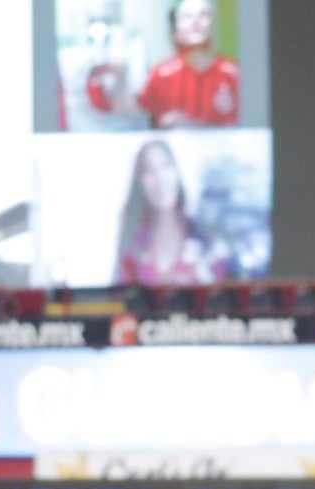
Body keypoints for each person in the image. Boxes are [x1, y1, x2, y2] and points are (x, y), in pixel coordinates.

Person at [113, 139, 228, 284]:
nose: (160, 179)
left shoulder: (207, 242)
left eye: (166, 166)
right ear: (140, 182)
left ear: (177, 171)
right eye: (149, 170)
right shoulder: (132, 248)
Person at [135, 0, 238, 128]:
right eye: (187, 16)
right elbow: (142, 121)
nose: (195, 22)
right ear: (176, 26)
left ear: (214, 23)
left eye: (203, 15)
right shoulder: (159, 75)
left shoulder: (234, 73)